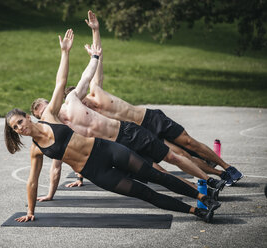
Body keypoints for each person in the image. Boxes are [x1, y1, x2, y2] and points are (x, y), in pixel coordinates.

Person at [4, 29, 221, 223]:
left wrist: (65, 53)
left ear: (27, 117)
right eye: (15, 128)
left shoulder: (50, 115)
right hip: (95, 171)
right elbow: (32, 182)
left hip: (106, 149)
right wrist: (31, 211)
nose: (20, 128)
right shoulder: (36, 149)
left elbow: (61, 82)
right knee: (144, 193)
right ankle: (197, 212)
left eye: (20, 122)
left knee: (157, 175)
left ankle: (205, 198)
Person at [65, 12, 243, 187]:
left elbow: (99, 58)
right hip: (141, 134)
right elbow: (83, 145)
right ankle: (219, 175)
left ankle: (227, 167)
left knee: (190, 142)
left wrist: (95, 30)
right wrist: (80, 178)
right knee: (182, 155)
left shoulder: (96, 90)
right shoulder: (89, 119)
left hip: (150, 118)